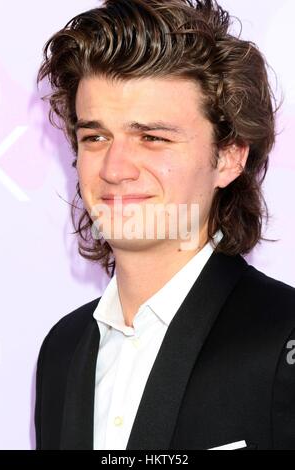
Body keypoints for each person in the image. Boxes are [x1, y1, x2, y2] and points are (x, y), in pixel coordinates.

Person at [35, 0, 295, 450]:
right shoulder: (62, 349)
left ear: (229, 157)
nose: (115, 168)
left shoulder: (284, 336)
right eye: (95, 137)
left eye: (152, 138)